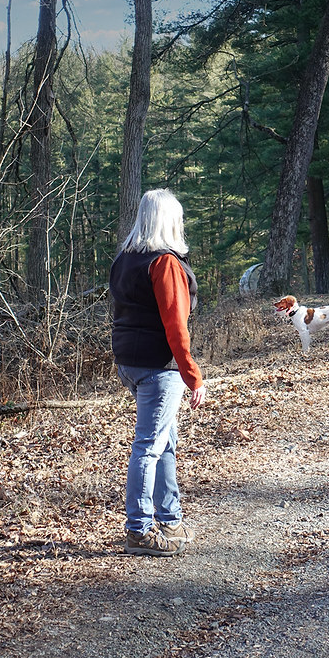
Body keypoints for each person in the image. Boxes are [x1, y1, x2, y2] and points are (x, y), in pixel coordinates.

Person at [109, 188, 206, 557]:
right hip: (157, 367)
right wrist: (192, 375)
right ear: (170, 220)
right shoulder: (164, 263)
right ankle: (139, 529)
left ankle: (170, 518)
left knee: (163, 441)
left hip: (129, 363)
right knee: (150, 445)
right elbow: (175, 327)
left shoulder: (125, 258)